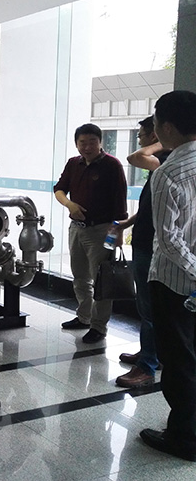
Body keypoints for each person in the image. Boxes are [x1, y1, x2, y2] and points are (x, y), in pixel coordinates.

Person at [140, 90, 196, 462]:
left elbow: (169, 238)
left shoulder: (168, 172)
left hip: (176, 284)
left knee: (179, 362)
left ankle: (184, 437)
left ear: (169, 127)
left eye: (157, 123)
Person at [54, 123, 128, 343]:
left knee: (101, 280)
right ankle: (84, 316)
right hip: (77, 229)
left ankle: (98, 326)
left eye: (92, 142)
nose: (87, 147)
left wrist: (117, 232)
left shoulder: (112, 165)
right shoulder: (73, 163)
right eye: (82, 143)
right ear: (76, 144)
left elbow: (120, 202)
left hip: (102, 230)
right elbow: (59, 189)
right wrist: (70, 205)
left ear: (100, 142)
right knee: (80, 277)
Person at [115, 116, 169, 388]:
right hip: (143, 241)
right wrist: (126, 224)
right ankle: (150, 352)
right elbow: (150, 206)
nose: (139, 140)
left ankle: (147, 366)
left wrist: (159, 143)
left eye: (142, 135)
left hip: (153, 247)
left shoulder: (164, 160)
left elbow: (134, 157)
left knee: (149, 309)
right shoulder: (160, 167)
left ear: (155, 135)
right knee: (145, 306)